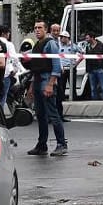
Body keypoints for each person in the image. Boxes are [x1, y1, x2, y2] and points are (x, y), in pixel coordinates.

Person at [24, 22, 67, 156]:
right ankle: (42, 145)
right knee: (41, 115)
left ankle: (62, 144)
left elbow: (56, 66)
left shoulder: (50, 44)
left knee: (53, 115)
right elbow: (35, 68)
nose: (37, 30)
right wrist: (31, 86)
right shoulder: (37, 45)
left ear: (46, 30)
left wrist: (50, 84)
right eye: (35, 28)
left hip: (46, 80)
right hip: (37, 81)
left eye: (40, 28)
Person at [83, 31, 103, 100]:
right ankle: (95, 100)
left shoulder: (102, 45)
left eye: (87, 38)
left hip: (99, 69)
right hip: (91, 70)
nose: (86, 40)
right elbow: (87, 59)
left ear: (92, 38)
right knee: (93, 88)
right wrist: (87, 70)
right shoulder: (88, 47)